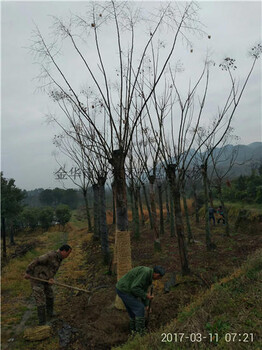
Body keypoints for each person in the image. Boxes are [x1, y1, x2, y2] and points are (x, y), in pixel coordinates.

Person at [24, 244, 72, 325]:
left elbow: (52, 269)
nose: (68, 255)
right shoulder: (50, 255)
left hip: (45, 279)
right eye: (68, 253)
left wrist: (51, 278)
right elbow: (36, 260)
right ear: (63, 251)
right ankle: (42, 322)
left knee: (50, 295)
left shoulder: (59, 258)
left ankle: (50, 313)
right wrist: (28, 272)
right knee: (40, 300)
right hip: (37, 278)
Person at [116, 265, 165, 335]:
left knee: (133, 312)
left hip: (124, 289)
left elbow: (143, 290)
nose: (159, 279)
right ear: (156, 274)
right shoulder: (145, 274)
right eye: (159, 277)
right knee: (140, 308)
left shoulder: (149, 275)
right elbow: (134, 288)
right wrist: (146, 295)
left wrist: (147, 305)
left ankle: (133, 332)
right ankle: (140, 334)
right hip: (124, 290)